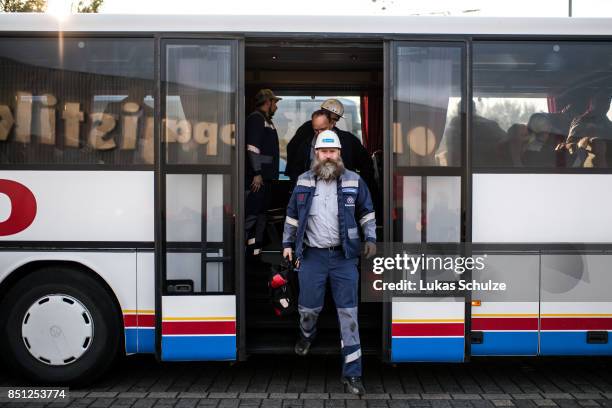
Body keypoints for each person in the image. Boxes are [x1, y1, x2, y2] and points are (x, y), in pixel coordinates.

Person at [282, 130, 377, 396]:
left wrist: (370, 238)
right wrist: (288, 245)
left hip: (344, 258)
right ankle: (307, 335)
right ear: (316, 154)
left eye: (333, 152)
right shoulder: (303, 181)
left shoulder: (354, 181)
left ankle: (353, 374)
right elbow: (291, 215)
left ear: (339, 154)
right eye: (324, 152)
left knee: (349, 317)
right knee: (308, 309)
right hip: (312, 256)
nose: (328, 156)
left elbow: (367, 212)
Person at [285, 99, 376, 193]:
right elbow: (295, 161)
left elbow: (366, 164)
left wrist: (361, 188)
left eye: (335, 119)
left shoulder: (348, 140)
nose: (333, 122)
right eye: (332, 118)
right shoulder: (306, 138)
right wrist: (295, 185)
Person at [245, 89, 281, 261]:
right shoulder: (256, 119)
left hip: (267, 177)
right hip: (258, 178)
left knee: (261, 214)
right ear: (268, 102)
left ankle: (255, 251)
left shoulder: (266, 120)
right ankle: (244, 251)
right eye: (275, 103)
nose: (276, 107)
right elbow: (252, 148)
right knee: (252, 214)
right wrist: (257, 173)